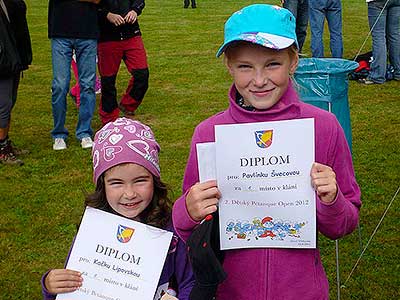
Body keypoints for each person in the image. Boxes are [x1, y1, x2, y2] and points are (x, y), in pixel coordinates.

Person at [172, 4, 361, 300]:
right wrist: (187, 211)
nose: (259, 80)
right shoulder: (208, 134)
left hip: (302, 292)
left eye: (272, 64)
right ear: (229, 67)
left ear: (293, 61)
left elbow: (345, 223)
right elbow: (188, 233)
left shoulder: (323, 127)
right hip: (230, 293)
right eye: (245, 66)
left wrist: (332, 199)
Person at [40, 118, 195, 300]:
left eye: (140, 180)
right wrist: (50, 285)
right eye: (116, 183)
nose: (129, 194)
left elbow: (190, 281)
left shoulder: (172, 230)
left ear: (154, 180)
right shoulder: (92, 231)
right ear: (102, 185)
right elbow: (73, 285)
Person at [48, 0, 99, 150]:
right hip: (60, 33)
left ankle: (84, 132)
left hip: (87, 33)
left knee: (88, 86)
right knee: (59, 85)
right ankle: (58, 134)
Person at [97, 0, 149, 125]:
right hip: (107, 37)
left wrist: (135, 11)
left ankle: (127, 105)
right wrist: (107, 14)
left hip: (131, 34)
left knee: (142, 74)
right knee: (108, 81)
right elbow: (92, 5)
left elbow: (139, 1)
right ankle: (109, 118)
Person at [0, 0, 32, 165]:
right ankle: (1, 149)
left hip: (14, 56)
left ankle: (5, 142)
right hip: (3, 58)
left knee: (9, 102)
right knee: (3, 105)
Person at [359, 0, 400, 84]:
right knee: (394, 35)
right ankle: (398, 72)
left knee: (379, 36)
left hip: (377, 2)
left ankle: (377, 75)